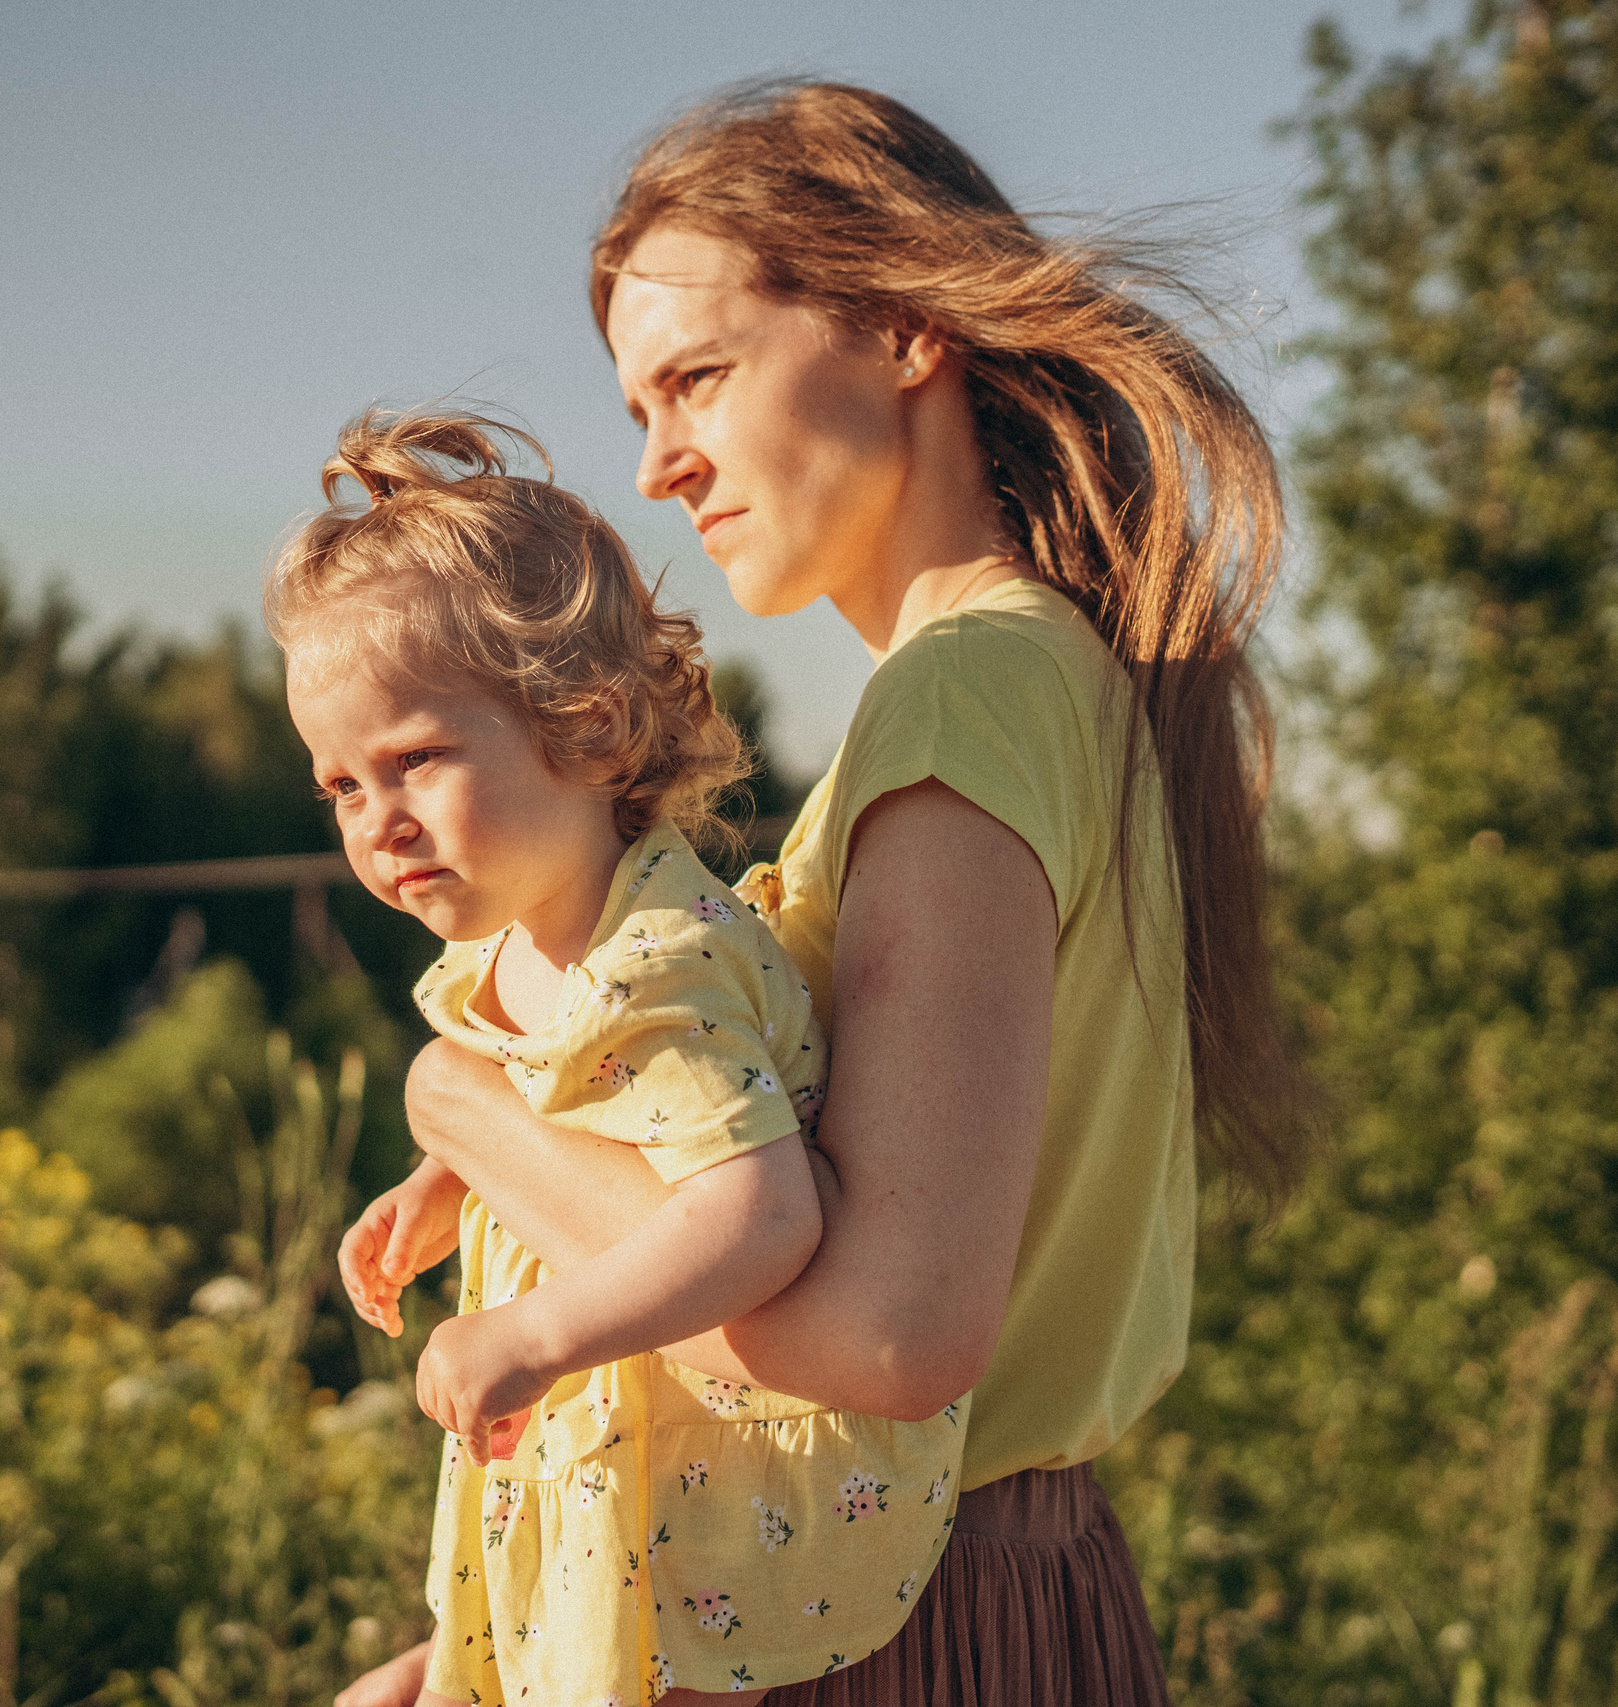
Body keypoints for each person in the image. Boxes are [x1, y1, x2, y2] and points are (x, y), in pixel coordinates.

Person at [339, 81, 1311, 1707]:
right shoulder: (1032, 681)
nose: (658, 465)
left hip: (892, 1634)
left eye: (697, 379)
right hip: (880, 1594)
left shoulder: (968, 694)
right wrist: (489, 1642)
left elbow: (886, 1339)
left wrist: (468, 1108)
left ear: (905, 327)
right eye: (639, 405)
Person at [277, 409, 970, 1707]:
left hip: (724, 1482)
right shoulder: (522, 945)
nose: (380, 823)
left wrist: (535, 1329)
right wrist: (450, 1180)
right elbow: (574, 1108)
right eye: (343, 787)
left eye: (414, 760)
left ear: (588, 729)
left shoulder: (658, 965)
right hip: (620, 1438)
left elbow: (762, 1214)